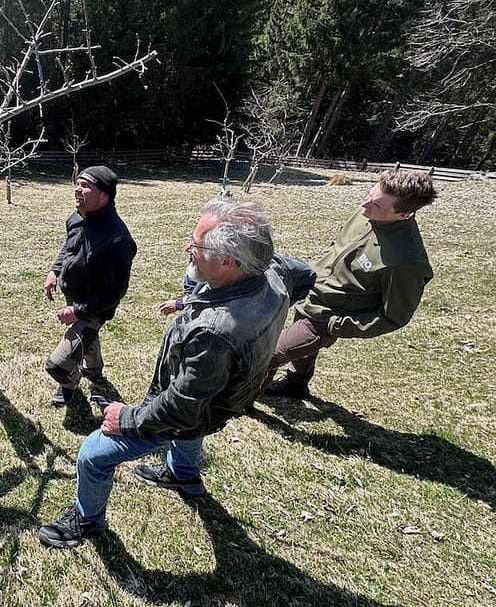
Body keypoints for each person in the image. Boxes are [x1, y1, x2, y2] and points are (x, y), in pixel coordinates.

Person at [38, 197, 315, 549]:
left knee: (94, 452)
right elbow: (307, 275)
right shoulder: (271, 273)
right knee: (197, 417)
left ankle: (87, 518)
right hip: (221, 396)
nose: (188, 249)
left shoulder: (216, 332)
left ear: (227, 261)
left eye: (196, 245)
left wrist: (127, 418)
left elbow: (181, 409)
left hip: (198, 407)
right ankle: (183, 475)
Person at [260, 169, 438, 400]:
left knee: (265, 357)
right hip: (311, 295)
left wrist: (336, 325)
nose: (364, 205)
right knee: (300, 351)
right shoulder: (367, 212)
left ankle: (239, 403)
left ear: (404, 214)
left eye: (377, 205)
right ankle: (296, 385)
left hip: (327, 317)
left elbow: (394, 317)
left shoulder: (405, 261)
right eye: (368, 195)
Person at [43, 166, 137, 407]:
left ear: (104, 196)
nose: (77, 189)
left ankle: (69, 382)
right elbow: (69, 246)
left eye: (85, 186)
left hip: (94, 307)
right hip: (76, 297)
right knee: (87, 338)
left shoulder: (117, 240)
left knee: (58, 365)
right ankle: (93, 371)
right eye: (77, 184)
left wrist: (77, 311)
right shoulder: (78, 218)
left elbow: (114, 293)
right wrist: (55, 270)